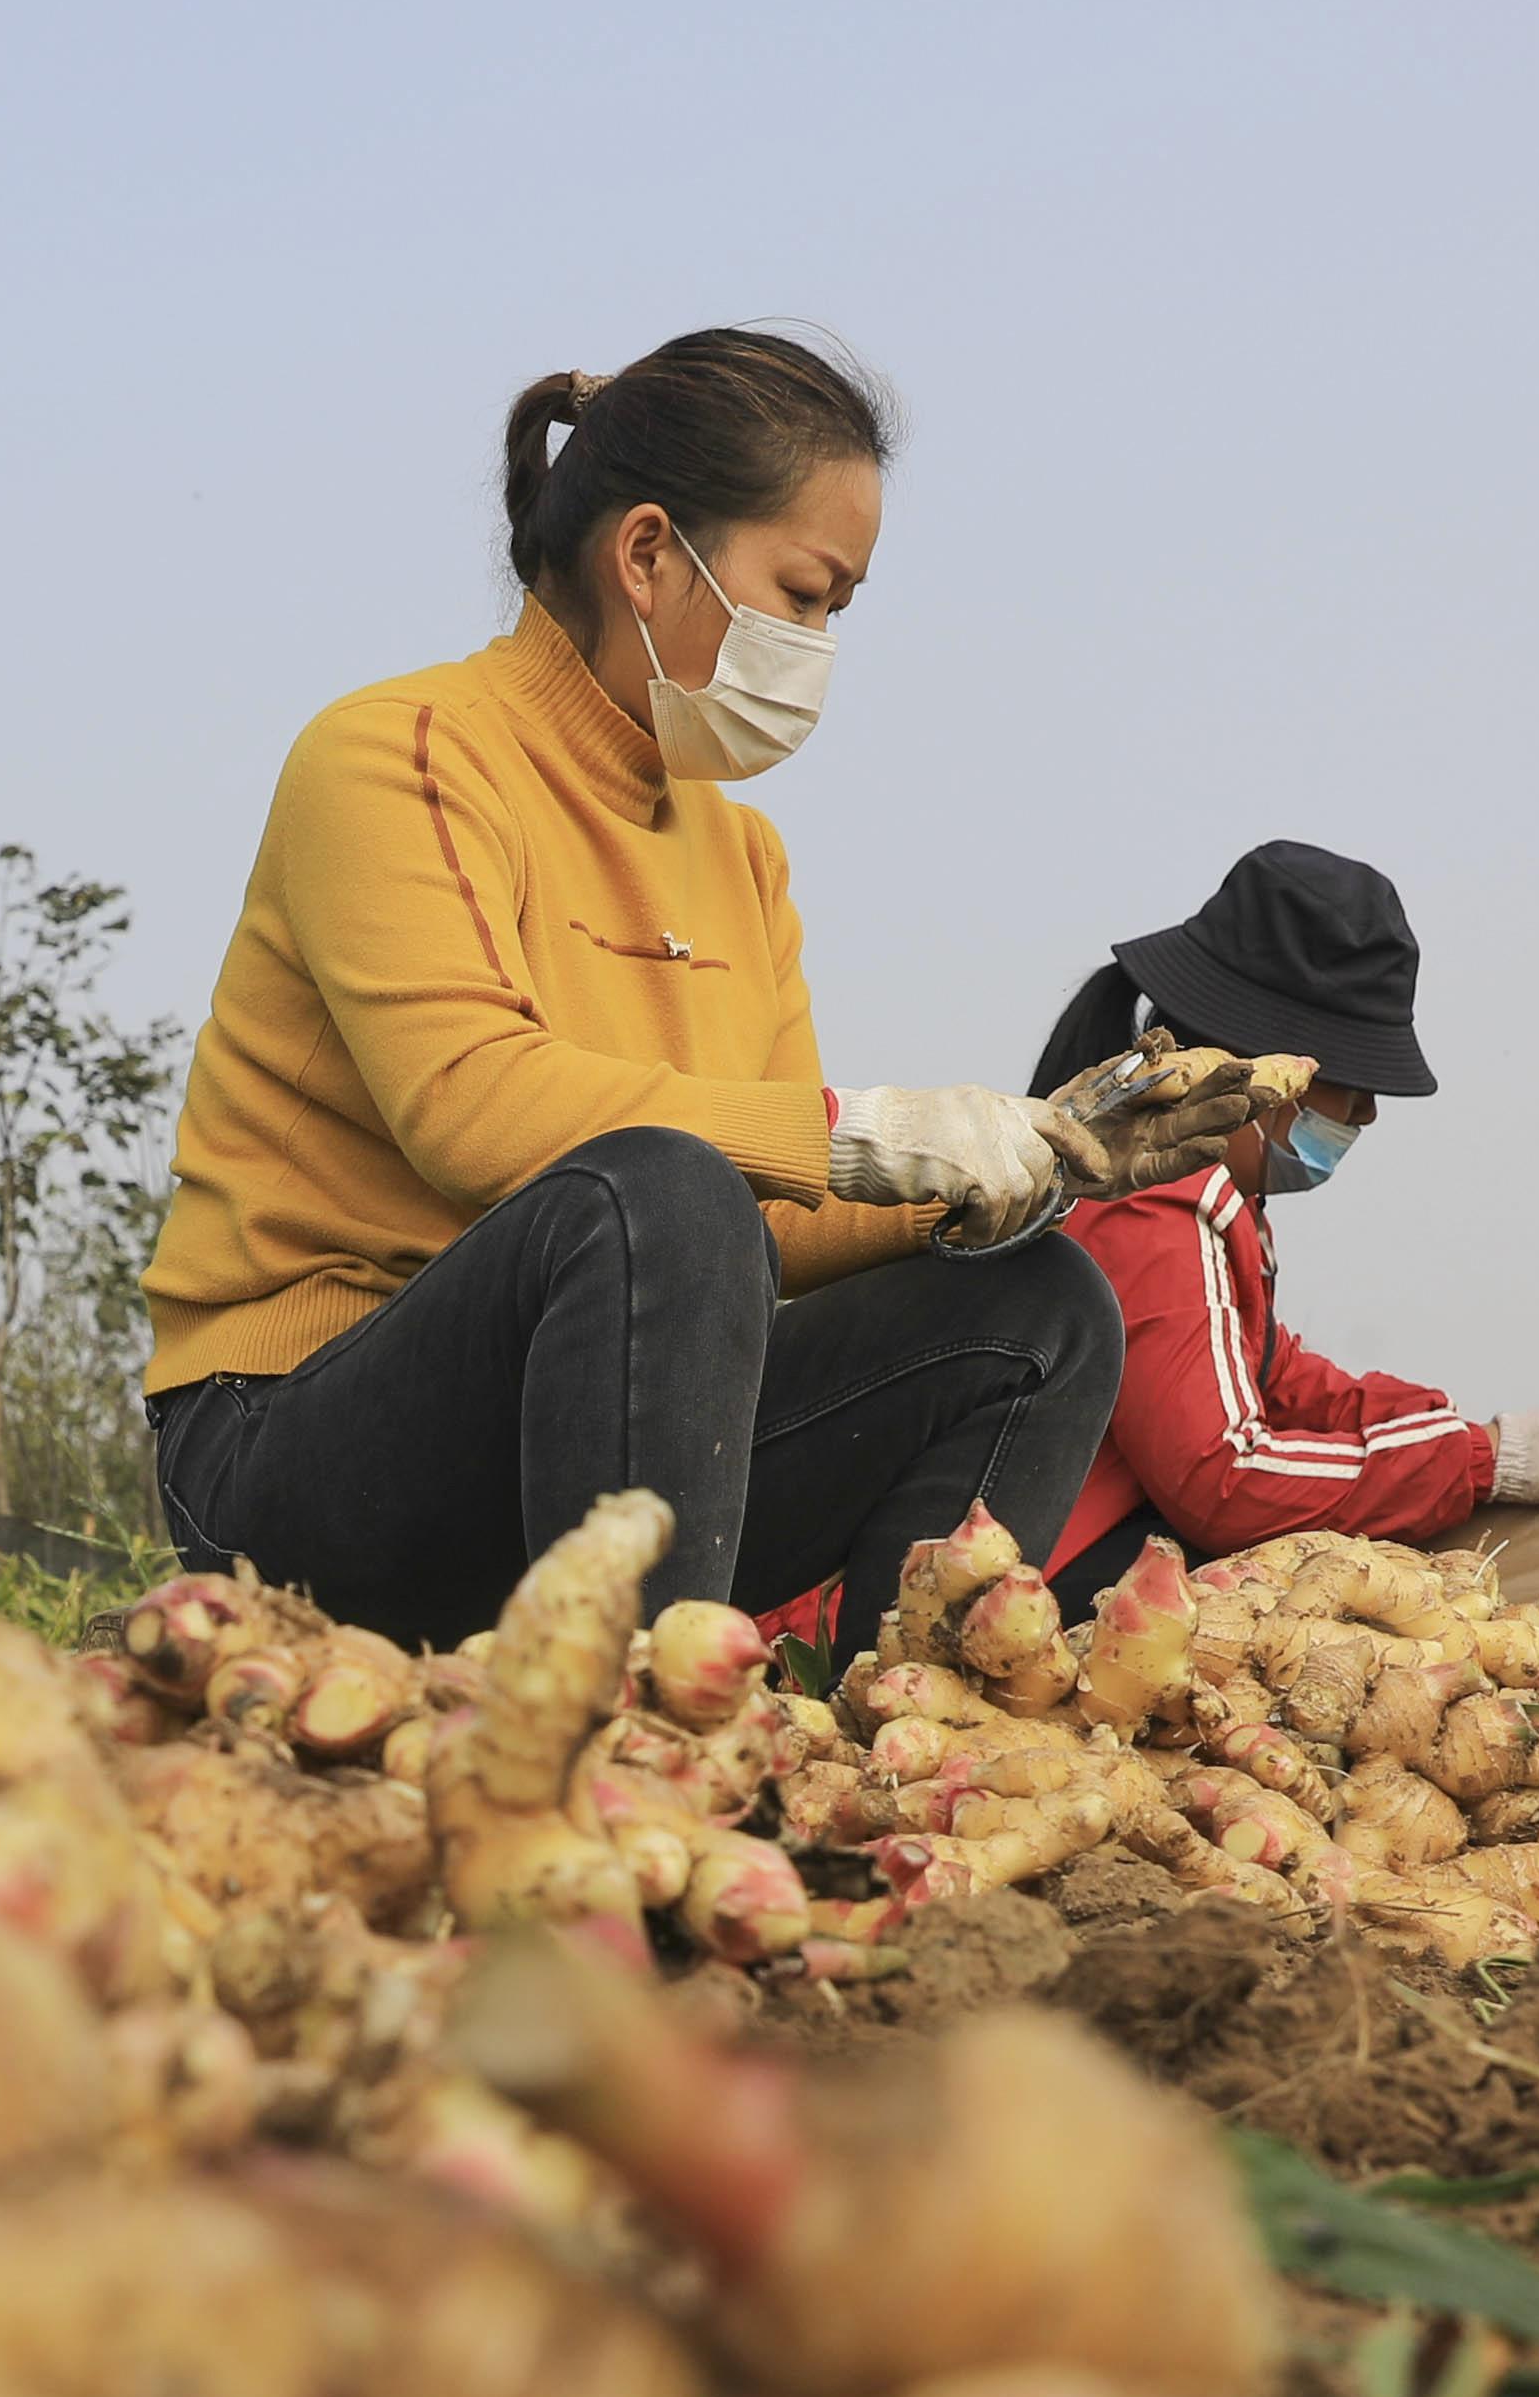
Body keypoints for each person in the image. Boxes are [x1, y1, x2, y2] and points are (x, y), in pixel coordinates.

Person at [137, 327, 1137, 1649]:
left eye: (839, 606)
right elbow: (471, 1109)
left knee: (1041, 1308)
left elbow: (761, 1232)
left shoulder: (741, 852)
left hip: (579, 1440)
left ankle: (909, 1739)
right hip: (297, 1447)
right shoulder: (398, 758)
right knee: (656, 1182)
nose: (820, 640)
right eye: (804, 592)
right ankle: (642, 1755)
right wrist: (862, 1129)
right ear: (651, 553)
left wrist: (1011, 1164)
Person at [1021, 841, 1539, 1611]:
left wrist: (1465, 1433)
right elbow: (1225, 1479)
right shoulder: (1161, 1204)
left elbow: (1275, 1375)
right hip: (1052, 1582)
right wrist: (1485, 1462)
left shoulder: (1198, 1204)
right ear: (1264, 1074)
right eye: (1351, 1083)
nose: (1365, 1112)